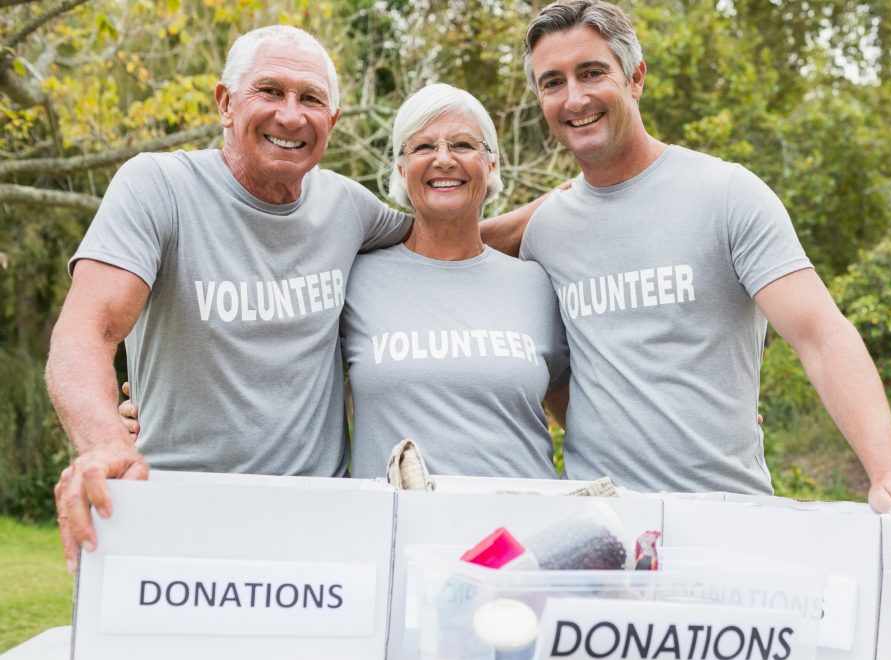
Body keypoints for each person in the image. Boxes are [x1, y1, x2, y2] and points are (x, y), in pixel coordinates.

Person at [45, 27, 534, 571]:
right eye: (270, 91)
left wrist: (566, 209)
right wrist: (104, 441)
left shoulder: (346, 208)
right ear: (225, 103)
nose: (291, 115)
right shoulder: (158, 187)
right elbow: (86, 329)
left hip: (318, 528)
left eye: (311, 99)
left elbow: (446, 236)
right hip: (176, 511)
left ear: (332, 121)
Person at [517, 0, 891, 568]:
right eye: (554, 83)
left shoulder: (726, 195)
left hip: (730, 525)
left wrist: (890, 473)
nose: (574, 98)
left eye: (592, 73)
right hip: (600, 534)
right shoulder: (545, 233)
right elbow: (551, 369)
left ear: (636, 77)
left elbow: (820, 335)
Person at [341, 84, 569, 478]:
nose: (443, 160)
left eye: (463, 145)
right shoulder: (354, 278)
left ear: (493, 164)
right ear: (400, 168)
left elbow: (580, 417)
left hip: (517, 531)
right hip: (395, 531)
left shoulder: (538, 284)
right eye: (424, 147)